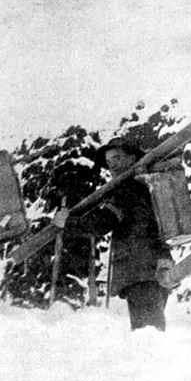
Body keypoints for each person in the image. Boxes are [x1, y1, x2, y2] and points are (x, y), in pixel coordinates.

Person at [53, 137, 174, 331]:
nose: (112, 166)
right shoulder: (146, 184)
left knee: (147, 335)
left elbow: (102, 223)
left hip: (140, 271)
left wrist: (67, 222)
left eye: (117, 158)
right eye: (109, 162)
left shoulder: (128, 189)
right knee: (152, 332)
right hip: (156, 267)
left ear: (133, 157)